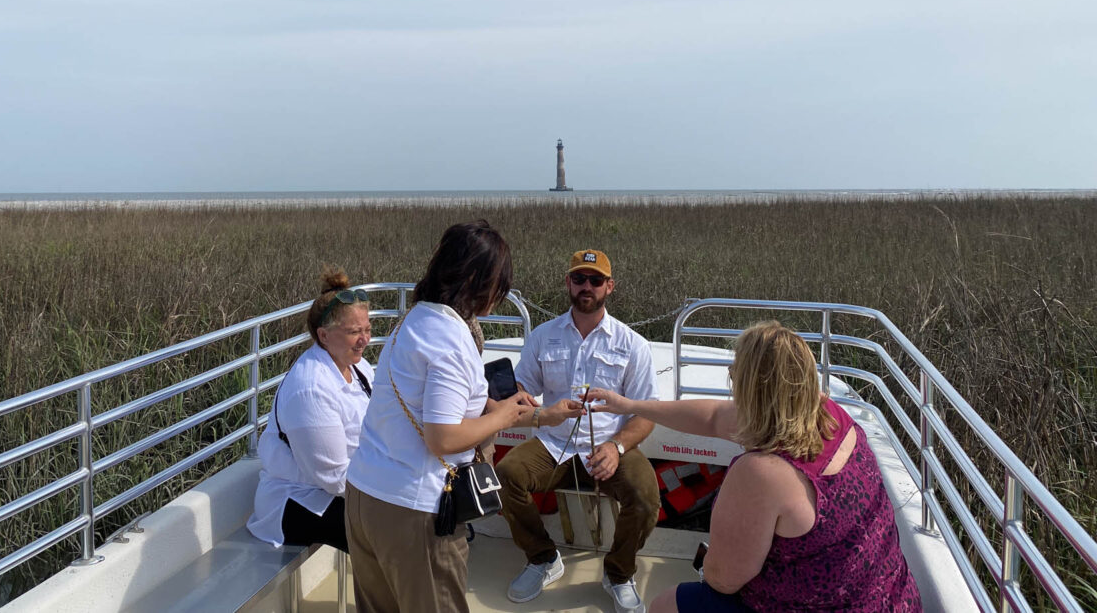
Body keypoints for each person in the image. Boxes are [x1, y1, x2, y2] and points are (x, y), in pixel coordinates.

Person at [587, 320, 923, 613]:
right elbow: (715, 417)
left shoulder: (762, 473)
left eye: (735, 374)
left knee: (665, 604)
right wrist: (630, 405)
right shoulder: (830, 414)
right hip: (892, 598)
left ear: (749, 390)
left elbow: (722, 580)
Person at [345, 220, 576, 613]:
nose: (498, 299)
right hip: (413, 511)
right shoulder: (452, 340)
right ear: (478, 282)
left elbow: (457, 411)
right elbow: (443, 438)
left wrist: (537, 417)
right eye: (498, 288)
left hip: (366, 495)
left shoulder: (414, 320)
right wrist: (503, 419)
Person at [497, 249, 661, 613]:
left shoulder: (632, 343)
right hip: (554, 443)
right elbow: (522, 390)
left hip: (609, 445)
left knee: (646, 496)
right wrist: (531, 404)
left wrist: (616, 447)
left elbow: (646, 414)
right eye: (579, 278)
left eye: (595, 280)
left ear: (609, 287)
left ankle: (619, 573)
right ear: (568, 283)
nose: (586, 286)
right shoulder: (543, 336)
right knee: (507, 473)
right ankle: (542, 558)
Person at [247, 267, 374, 552]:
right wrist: (392, 488)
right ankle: (384, 597)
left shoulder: (359, 368)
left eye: (367, 329)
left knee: (414, 516)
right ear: (324, 336)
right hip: (301, 503)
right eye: (354, 331)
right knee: (393, 533)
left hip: (347, 488)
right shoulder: (311, 388)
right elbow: (334, 480)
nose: (364, 339)